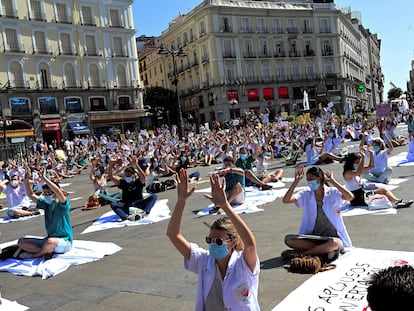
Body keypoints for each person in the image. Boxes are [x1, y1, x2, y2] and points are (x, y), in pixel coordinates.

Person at [167, 169, 260, 310]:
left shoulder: (243, 265)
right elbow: (173, 234)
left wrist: (225, 206)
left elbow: (250, 245)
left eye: (218, 242)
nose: (212, 245)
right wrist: (181, 201)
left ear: (233, 242)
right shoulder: (204, 261)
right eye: (209, 240)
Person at [281, 166, 354, 261]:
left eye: (312, 179)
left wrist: (333, 181)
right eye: (308, 180)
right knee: (289, 240)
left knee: (334, 244)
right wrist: (296, 181)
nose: (310, 182)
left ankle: (303, 254)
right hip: (314, 238)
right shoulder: (306, 194)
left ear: (319, 178)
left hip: (333, 238)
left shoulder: (332, 193)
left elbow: (350, 197)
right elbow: (286, 200)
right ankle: (322, 252)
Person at [15, 167, 73, 259]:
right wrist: (26, 180)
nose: (46, 196)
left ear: (55, 194)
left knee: (50, 242)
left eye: (49, 193)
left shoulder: (63, 205)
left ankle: (36, 254)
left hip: (64, 241)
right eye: (45, 194)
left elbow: (57, 191)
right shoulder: (46, 204)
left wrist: (44, 178)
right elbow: (31, 195)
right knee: (21, 242)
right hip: (49, 239)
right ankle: (45, 251)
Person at [343, 151, 413, 208]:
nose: (359, 164)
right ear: (351, 162)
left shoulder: (355, 170)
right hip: (357, 198)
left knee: (383, 189)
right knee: (383, 192)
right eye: (357, 162)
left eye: (359, 162)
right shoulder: (348, 173)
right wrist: (363, 158)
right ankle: (397, 202)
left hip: (362, 194)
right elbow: (358, 172)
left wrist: (371, 154)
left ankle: (397, 201)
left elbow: (371, 166)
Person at [108, 156, 157, 221]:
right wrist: (111, 164)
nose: (127, 177)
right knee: (113, 204)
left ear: (134, 175)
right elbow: (111, 176)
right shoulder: (123, 182)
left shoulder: (138, 182)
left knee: (154, 196)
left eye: (129, 175)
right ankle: (125, 217)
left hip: (138, 204)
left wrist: (136, 164)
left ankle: (144, 213)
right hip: (127, 205)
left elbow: (143, 177)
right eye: (126, 176)